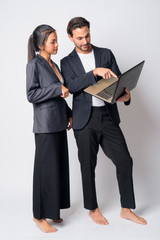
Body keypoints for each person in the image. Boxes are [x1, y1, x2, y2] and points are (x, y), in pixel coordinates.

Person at [61, 17, 147, 226]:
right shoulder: (66, 62)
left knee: (125, 160)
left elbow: (119, 82)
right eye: (79, 37)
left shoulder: (105, 54)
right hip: (84, 120)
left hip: (108, 117)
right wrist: (94, 73)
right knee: (87, 166)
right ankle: (93, 209)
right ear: (70, 37)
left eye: (87, 35)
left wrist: (126, 96)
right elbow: (71, 86)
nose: (85, 41)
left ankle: (126, 209)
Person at [26, 24, 72, 233]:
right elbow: (31, 94)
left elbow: (60, 95)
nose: (56, 44)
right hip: (45, 126)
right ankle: (38, 215)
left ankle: (52, 211)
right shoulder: (34, 65)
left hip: (59, 123)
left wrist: (69, 114)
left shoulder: (54, 64)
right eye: (52, 41)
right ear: (40, 44)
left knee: (57, 170)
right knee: (45, 172)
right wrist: (56, 88)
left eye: (56, 40)